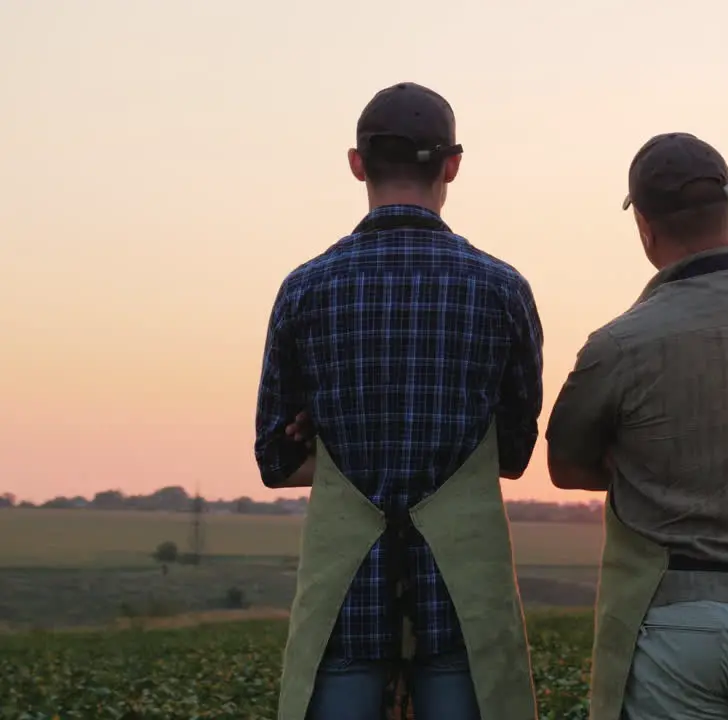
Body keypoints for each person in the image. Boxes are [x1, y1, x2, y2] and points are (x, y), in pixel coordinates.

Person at [254, 82, 544, 720]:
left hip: (344, 607)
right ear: (453, 165)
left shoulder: (304, 290)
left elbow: (274, 459)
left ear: (357, 163)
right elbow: (515, 454)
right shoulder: (502, 290)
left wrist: (323, 442)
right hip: (461, 607)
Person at [545, 132, 728, 720]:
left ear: (644, 226)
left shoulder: (620, 343)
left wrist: (640, 466)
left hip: (674, 617)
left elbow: (565, 465)